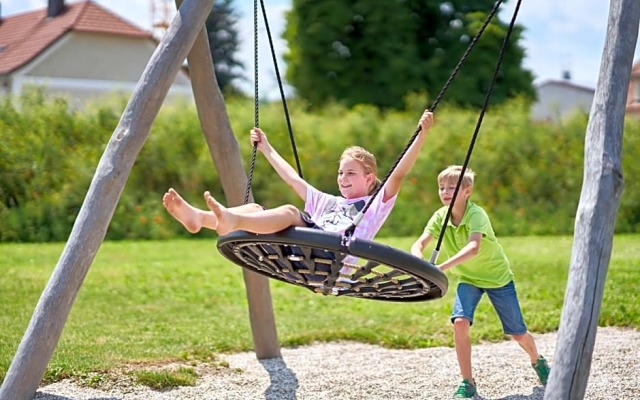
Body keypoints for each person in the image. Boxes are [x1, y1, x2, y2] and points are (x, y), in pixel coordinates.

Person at [162, 109, 434, 244]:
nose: (342, 178)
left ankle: (231, 220)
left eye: (350, 173)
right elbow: (292, 178)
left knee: (292, 211)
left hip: (331, 255)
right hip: (303, 247)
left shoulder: (374, 206)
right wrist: (266, 148)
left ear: (370, 179)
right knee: (255, 208)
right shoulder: (327, 202)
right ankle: (199, 218)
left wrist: (421, 136)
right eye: (340, 172)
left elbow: (399, 174)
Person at [410, 165, 550, 399]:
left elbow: (473, 248)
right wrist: (419, 260)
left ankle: (538, 361)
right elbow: (418, 244)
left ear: (467, 191)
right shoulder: (440, 217)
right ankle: (468, 382)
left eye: (451, 188)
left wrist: (440, 268)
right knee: (460, 323)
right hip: (468, 279)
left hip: (497, 278)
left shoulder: (477, 214)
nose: (445, 192)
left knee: (518, 333)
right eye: (441, 188)